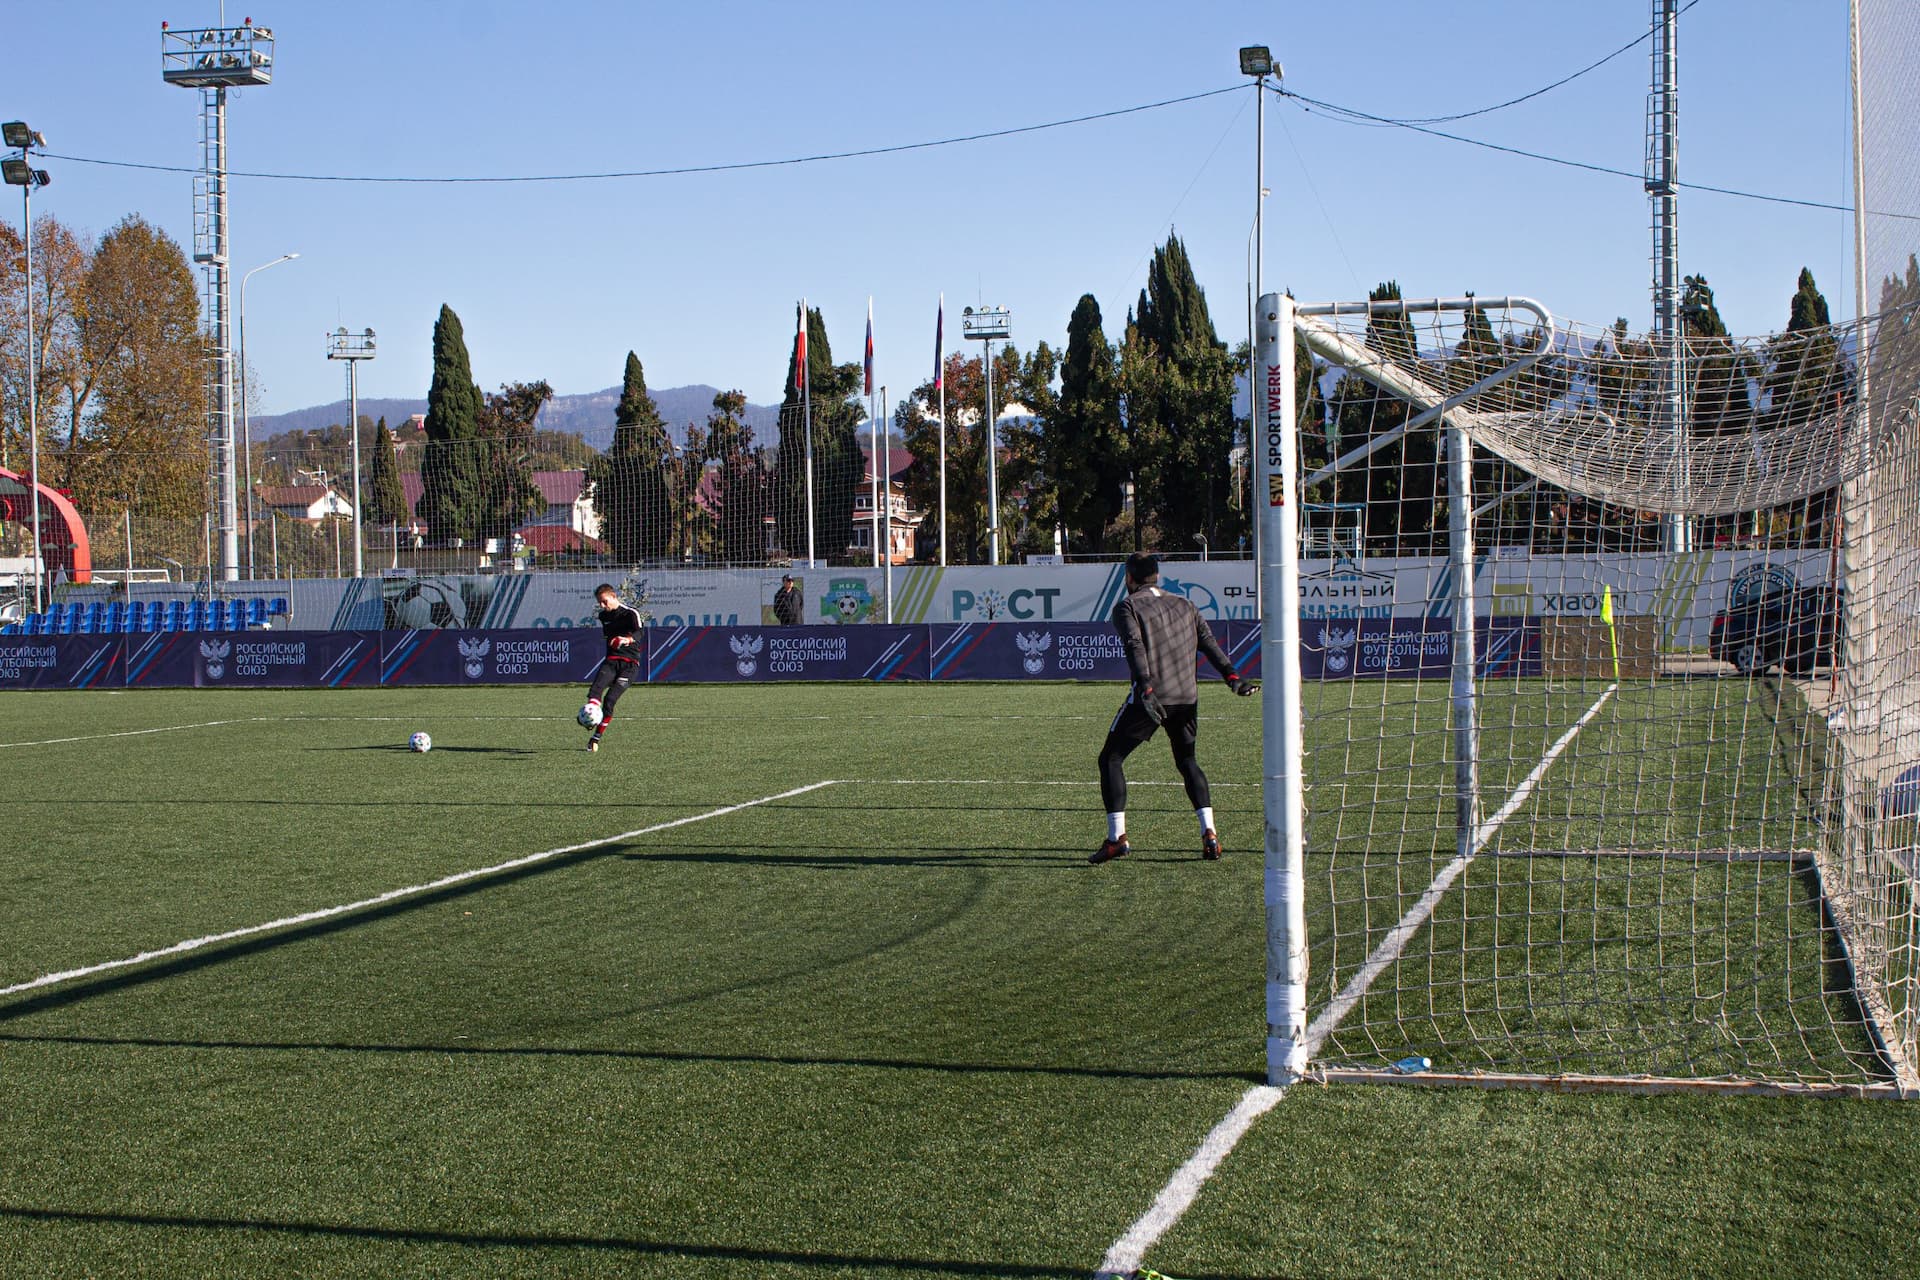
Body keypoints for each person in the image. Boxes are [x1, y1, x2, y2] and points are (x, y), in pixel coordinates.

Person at [1091, 552, 1257, 864]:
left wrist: (1146, 686)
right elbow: (1209, 643)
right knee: (1188, 762)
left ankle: (1117, 838)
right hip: (1187, 698)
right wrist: (1232, 677)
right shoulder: (1186, 604)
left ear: (1129, 577)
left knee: (1111, 759)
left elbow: (1134, 646)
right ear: (1156, 576)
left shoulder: (1127, 606)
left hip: (1153, 698)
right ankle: (1210, 834)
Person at [582, 583, 643, 753]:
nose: (602, 606)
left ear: (613, 596)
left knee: (609, 701)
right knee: (596, 689)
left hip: (629, 665)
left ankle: (596, 737)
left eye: (604, 601)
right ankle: (590, 715)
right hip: (611, 661)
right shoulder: (604, 616)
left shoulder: (631, 613)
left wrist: (627, 640)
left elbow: (640, 633)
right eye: (599, 602)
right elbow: (609, 638)